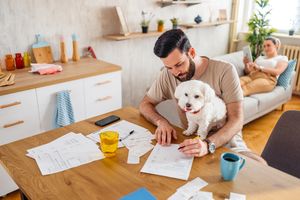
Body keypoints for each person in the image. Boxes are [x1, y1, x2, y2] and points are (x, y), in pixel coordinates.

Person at [139, 29, 267, 164]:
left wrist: (208, 144)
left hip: (227, 143)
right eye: (169, 67)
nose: (175, 72)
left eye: (179, 64)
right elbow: (144, 104)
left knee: (262, 167)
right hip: (192, 143)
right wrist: (161, 122)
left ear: (192, 53)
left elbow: (237, 120)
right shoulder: (168, 75)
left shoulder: (225, 71)